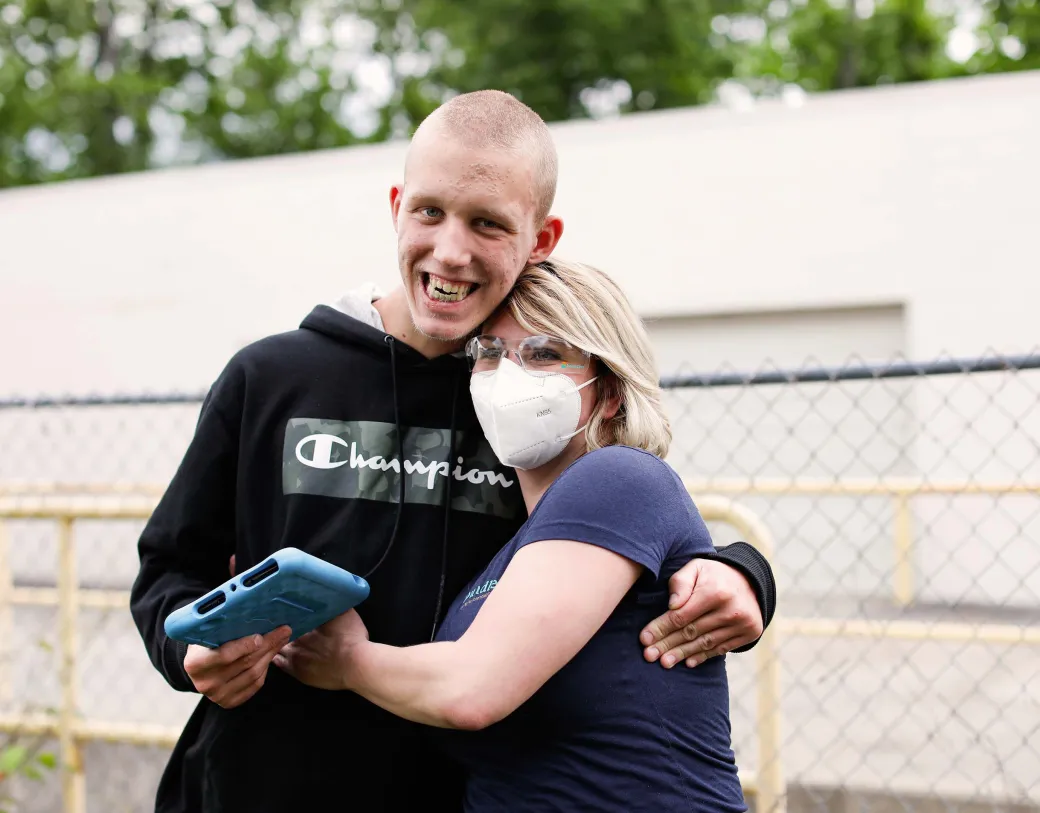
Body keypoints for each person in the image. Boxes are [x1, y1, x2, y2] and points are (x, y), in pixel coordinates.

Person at [129, 89, 775, 812]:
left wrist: (740, 572)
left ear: (542, 238)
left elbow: (627, 530)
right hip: (251, 786)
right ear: (398, 206)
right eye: (429, 211)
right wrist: (188, 652)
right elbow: (170, 567)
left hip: (446, 789)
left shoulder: (531, 408)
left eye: (488, 223)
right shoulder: (270, 377)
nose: (451, 250)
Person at [275, 258, 749, 812]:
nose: (509, 375)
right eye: (491, 353)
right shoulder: (521, 536)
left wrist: (348, 660)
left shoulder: (618, 476)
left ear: (612, 391)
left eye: (544, 353)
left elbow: (470, 689)